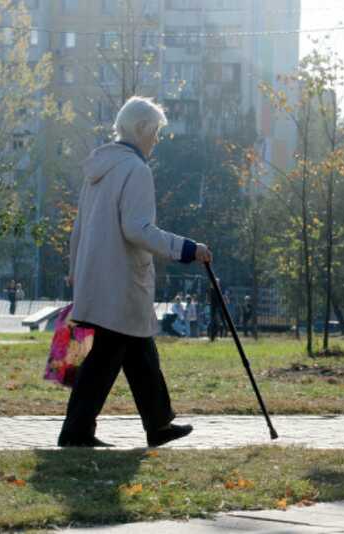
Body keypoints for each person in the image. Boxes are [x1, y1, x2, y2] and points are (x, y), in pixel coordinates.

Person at [58, 96, 212, 448]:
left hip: (97, 280)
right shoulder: (137, 170)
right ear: (141, 129)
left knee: (141, 353)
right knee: (103, 360)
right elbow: (138, 229)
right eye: (155, 131)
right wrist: (188, 249)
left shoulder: (99, 168)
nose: (156, 139)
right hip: (122, 282)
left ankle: (158, 424)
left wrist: (74, 271)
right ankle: (76, 432)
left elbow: (79, 227)